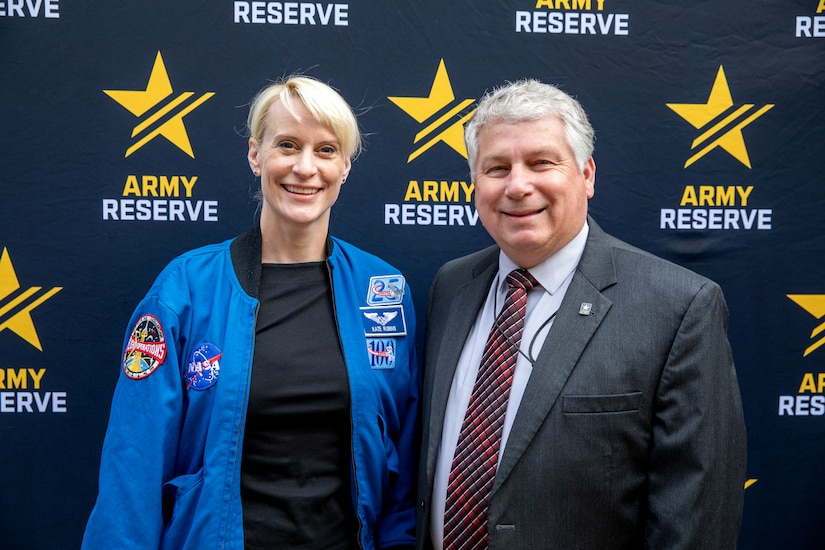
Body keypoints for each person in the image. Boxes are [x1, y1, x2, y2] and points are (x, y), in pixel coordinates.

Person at [82, 75, 419, 550]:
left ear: (345, 166)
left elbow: (403, 464)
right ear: (255, 154)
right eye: (287, 145)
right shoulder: (186, 289)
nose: (306, 167)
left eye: (325, 150)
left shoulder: (381, 290)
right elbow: (132, 467)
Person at [416, 79, 747, 549]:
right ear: (475, 182)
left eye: (540, 163)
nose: (517, 185)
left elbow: (695, 518)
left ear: (587, 175)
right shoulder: (451, 286)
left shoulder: (679, 306)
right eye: (496, 167)